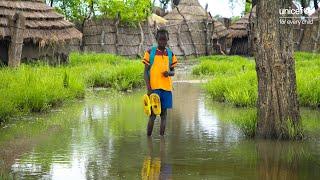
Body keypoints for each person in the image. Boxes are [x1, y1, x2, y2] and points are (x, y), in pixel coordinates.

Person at [142, 28, 178, 136]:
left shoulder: (170, 54)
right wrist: (149, 89)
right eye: (160, 39)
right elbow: (145, 72)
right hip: (154, 89)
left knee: (164, 115)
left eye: (165, 40)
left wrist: (169, 73)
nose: (162, 42)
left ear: (168, 39)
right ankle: (149, 139)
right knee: (152, 115)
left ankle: (162, 140)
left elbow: (173, 72)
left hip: (167, 89)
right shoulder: (150, 53)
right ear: (156, 39)